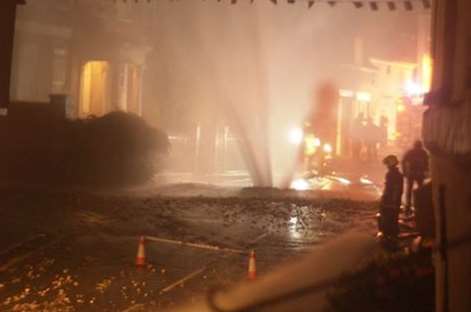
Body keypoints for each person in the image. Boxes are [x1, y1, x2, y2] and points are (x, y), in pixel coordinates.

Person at [378, 155, 404, 239]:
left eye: (387, 164)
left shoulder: (391, 174)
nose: (387, 166)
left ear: (390, 164)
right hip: (393, 200)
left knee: (388, 217)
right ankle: (392, 234)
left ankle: (389, 235)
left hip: (391, 200)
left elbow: (394, 188)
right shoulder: (397, 174)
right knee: (393, 218)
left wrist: (391, 200)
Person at [402, 140, 429, 213]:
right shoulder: (422, 153)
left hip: (414, 173)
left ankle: (410, 207)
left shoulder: (412, 152)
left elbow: (403, 161)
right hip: (416, 173)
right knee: (418, 190)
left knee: (412, 190)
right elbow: (427, 163)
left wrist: (404, 171)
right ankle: (416, 206)